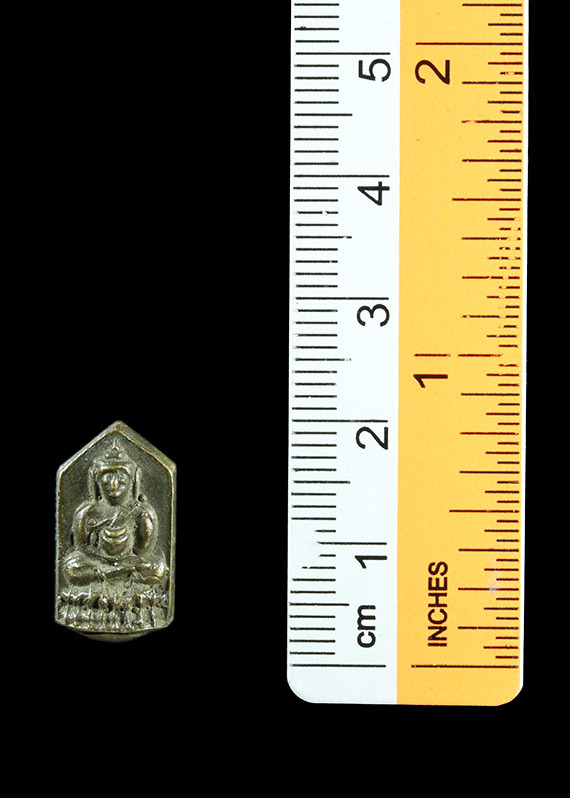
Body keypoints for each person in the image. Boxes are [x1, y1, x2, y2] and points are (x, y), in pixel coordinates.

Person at [61, 438, 168, 587]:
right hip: (98, 561)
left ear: (133, 483)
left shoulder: (140, 512)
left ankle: (113, 575)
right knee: (70, 568)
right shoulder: (87, 512)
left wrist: (144, 525)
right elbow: (81, 547)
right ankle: (113, 575)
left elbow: (143, 551)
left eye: (121, 481)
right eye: (106, 482)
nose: (113, 487)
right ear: (96, 483)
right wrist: (104, 559)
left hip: (129, 561)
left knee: (158, 567)